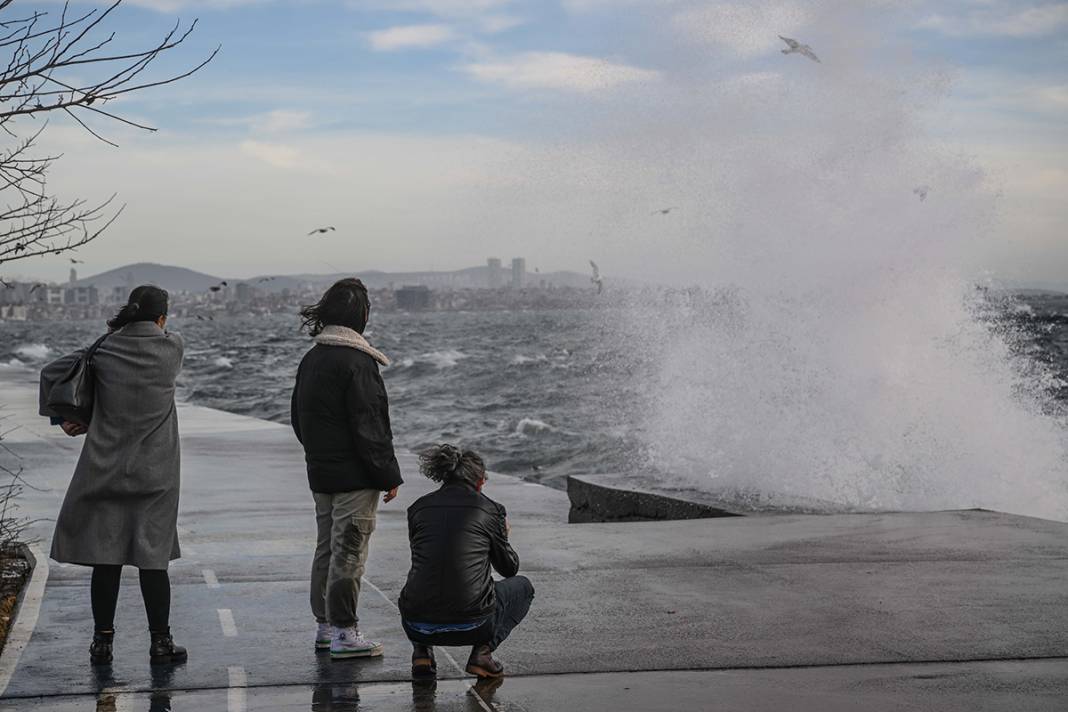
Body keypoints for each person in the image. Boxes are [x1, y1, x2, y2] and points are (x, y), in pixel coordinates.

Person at [38, 285, 187, 666]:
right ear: (162, 319)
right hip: (156, 474)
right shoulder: (173, 348)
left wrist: (72, 418)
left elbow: (52, 372)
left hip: (104, 467)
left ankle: (102, 643)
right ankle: (160, 642)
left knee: (107, 559)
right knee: (153, 560)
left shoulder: (102, 349)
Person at [291, 278, 404, 660]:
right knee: (350, 551)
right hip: (355, 478)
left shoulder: (312, 359)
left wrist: (320, 455)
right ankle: (344, 631)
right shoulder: (358, 363)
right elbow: (370, 426)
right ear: (362, 316)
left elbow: (297, 419)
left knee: (326, 549)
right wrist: (388, 475)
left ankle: (325, 627)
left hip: (321, 474)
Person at [399, 445, 535, 679]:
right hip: (474, 624)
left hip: (416, 623)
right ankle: (483, 653)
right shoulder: (491, 509)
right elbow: (509, 569)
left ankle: (421, 654)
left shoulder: (418, 508)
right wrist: (503, 536)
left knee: (420, 583)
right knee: (523, 587)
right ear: (480, 482)